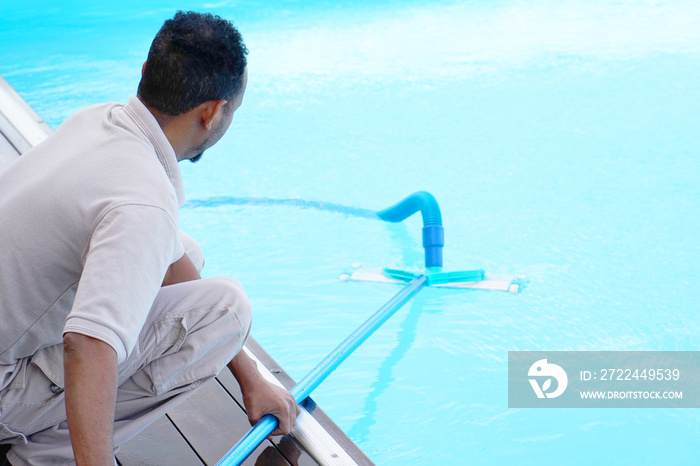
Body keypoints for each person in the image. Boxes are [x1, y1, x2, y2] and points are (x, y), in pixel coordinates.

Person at [0, 11, 299, 466]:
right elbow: (89, 346)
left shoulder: (97, 121)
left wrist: (250, 376)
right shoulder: (142, 202)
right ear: (213, 113)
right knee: (226, 309)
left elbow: (170, 261)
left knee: (183, 251)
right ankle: (42, 458)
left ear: (146, 73)